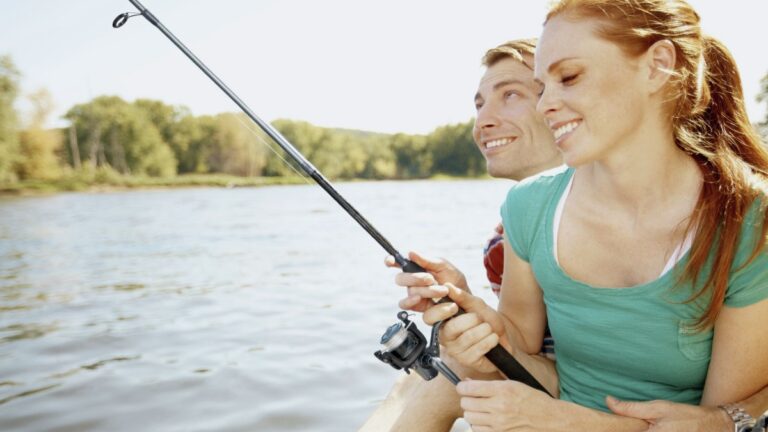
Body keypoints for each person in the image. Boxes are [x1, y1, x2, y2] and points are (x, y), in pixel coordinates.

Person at [362, 35, 768, 431]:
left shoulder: (737, 219)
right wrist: (469, 313)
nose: (483, 120)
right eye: (480, 102)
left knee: (441, 378)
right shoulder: (522, 219)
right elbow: (543, 362)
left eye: (514, 94)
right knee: (426, 374)